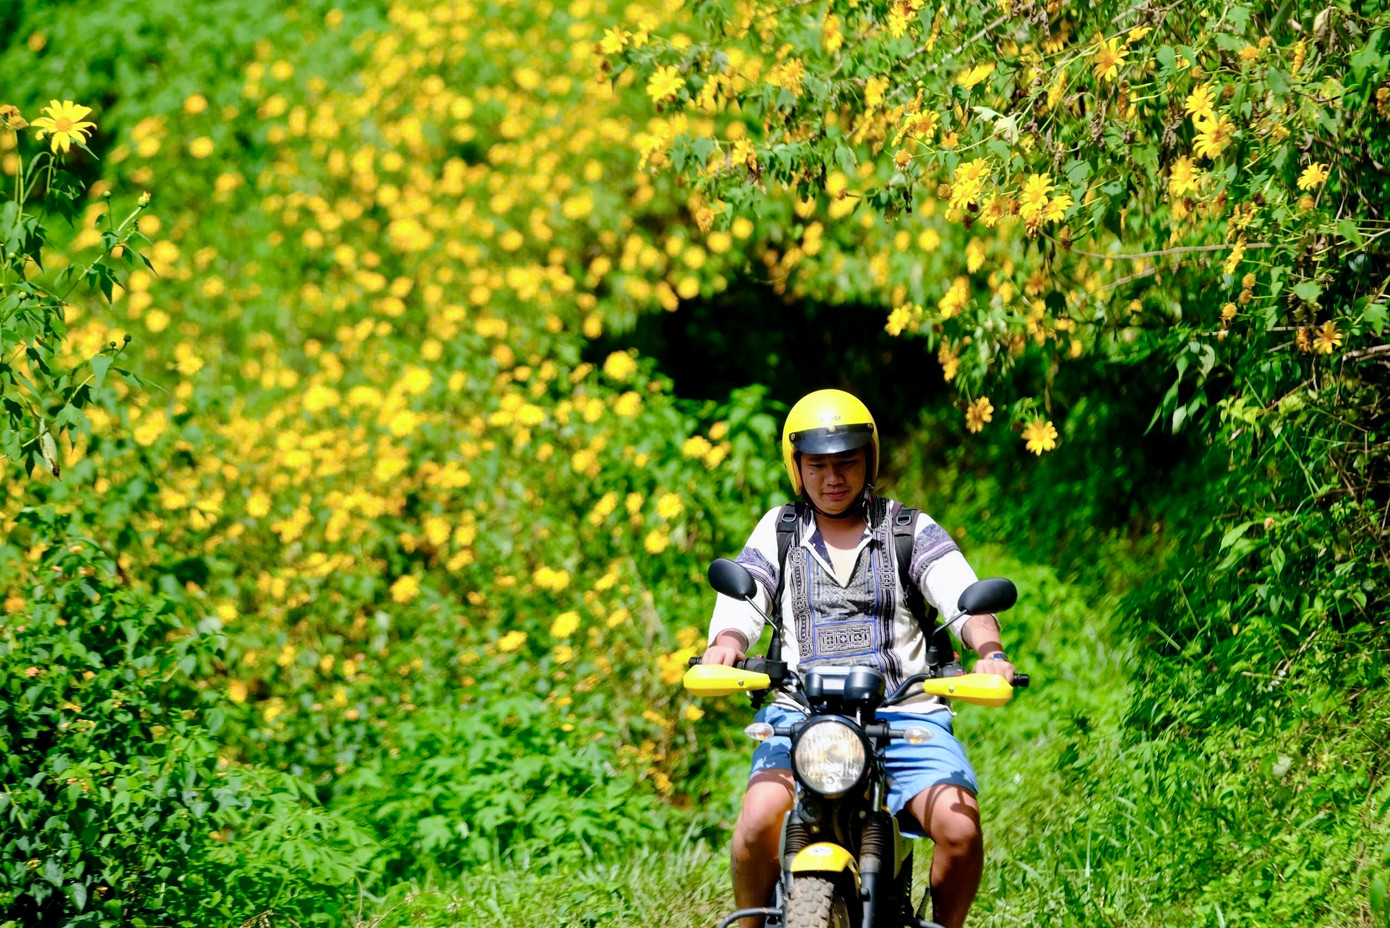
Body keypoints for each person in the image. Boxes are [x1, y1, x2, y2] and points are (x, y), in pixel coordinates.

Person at [701, 388, 1015, 928]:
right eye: (817, 466)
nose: (833, 478)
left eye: (846, 462)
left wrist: (989, 652)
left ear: (869, 460)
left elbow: (963, 599)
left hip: (904, 718)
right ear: (797, 468)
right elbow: (745, 595)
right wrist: (725, 645)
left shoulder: (907, 529)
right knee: (755, 822)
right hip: (799, 718)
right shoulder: (780, 530)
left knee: (960, 829)